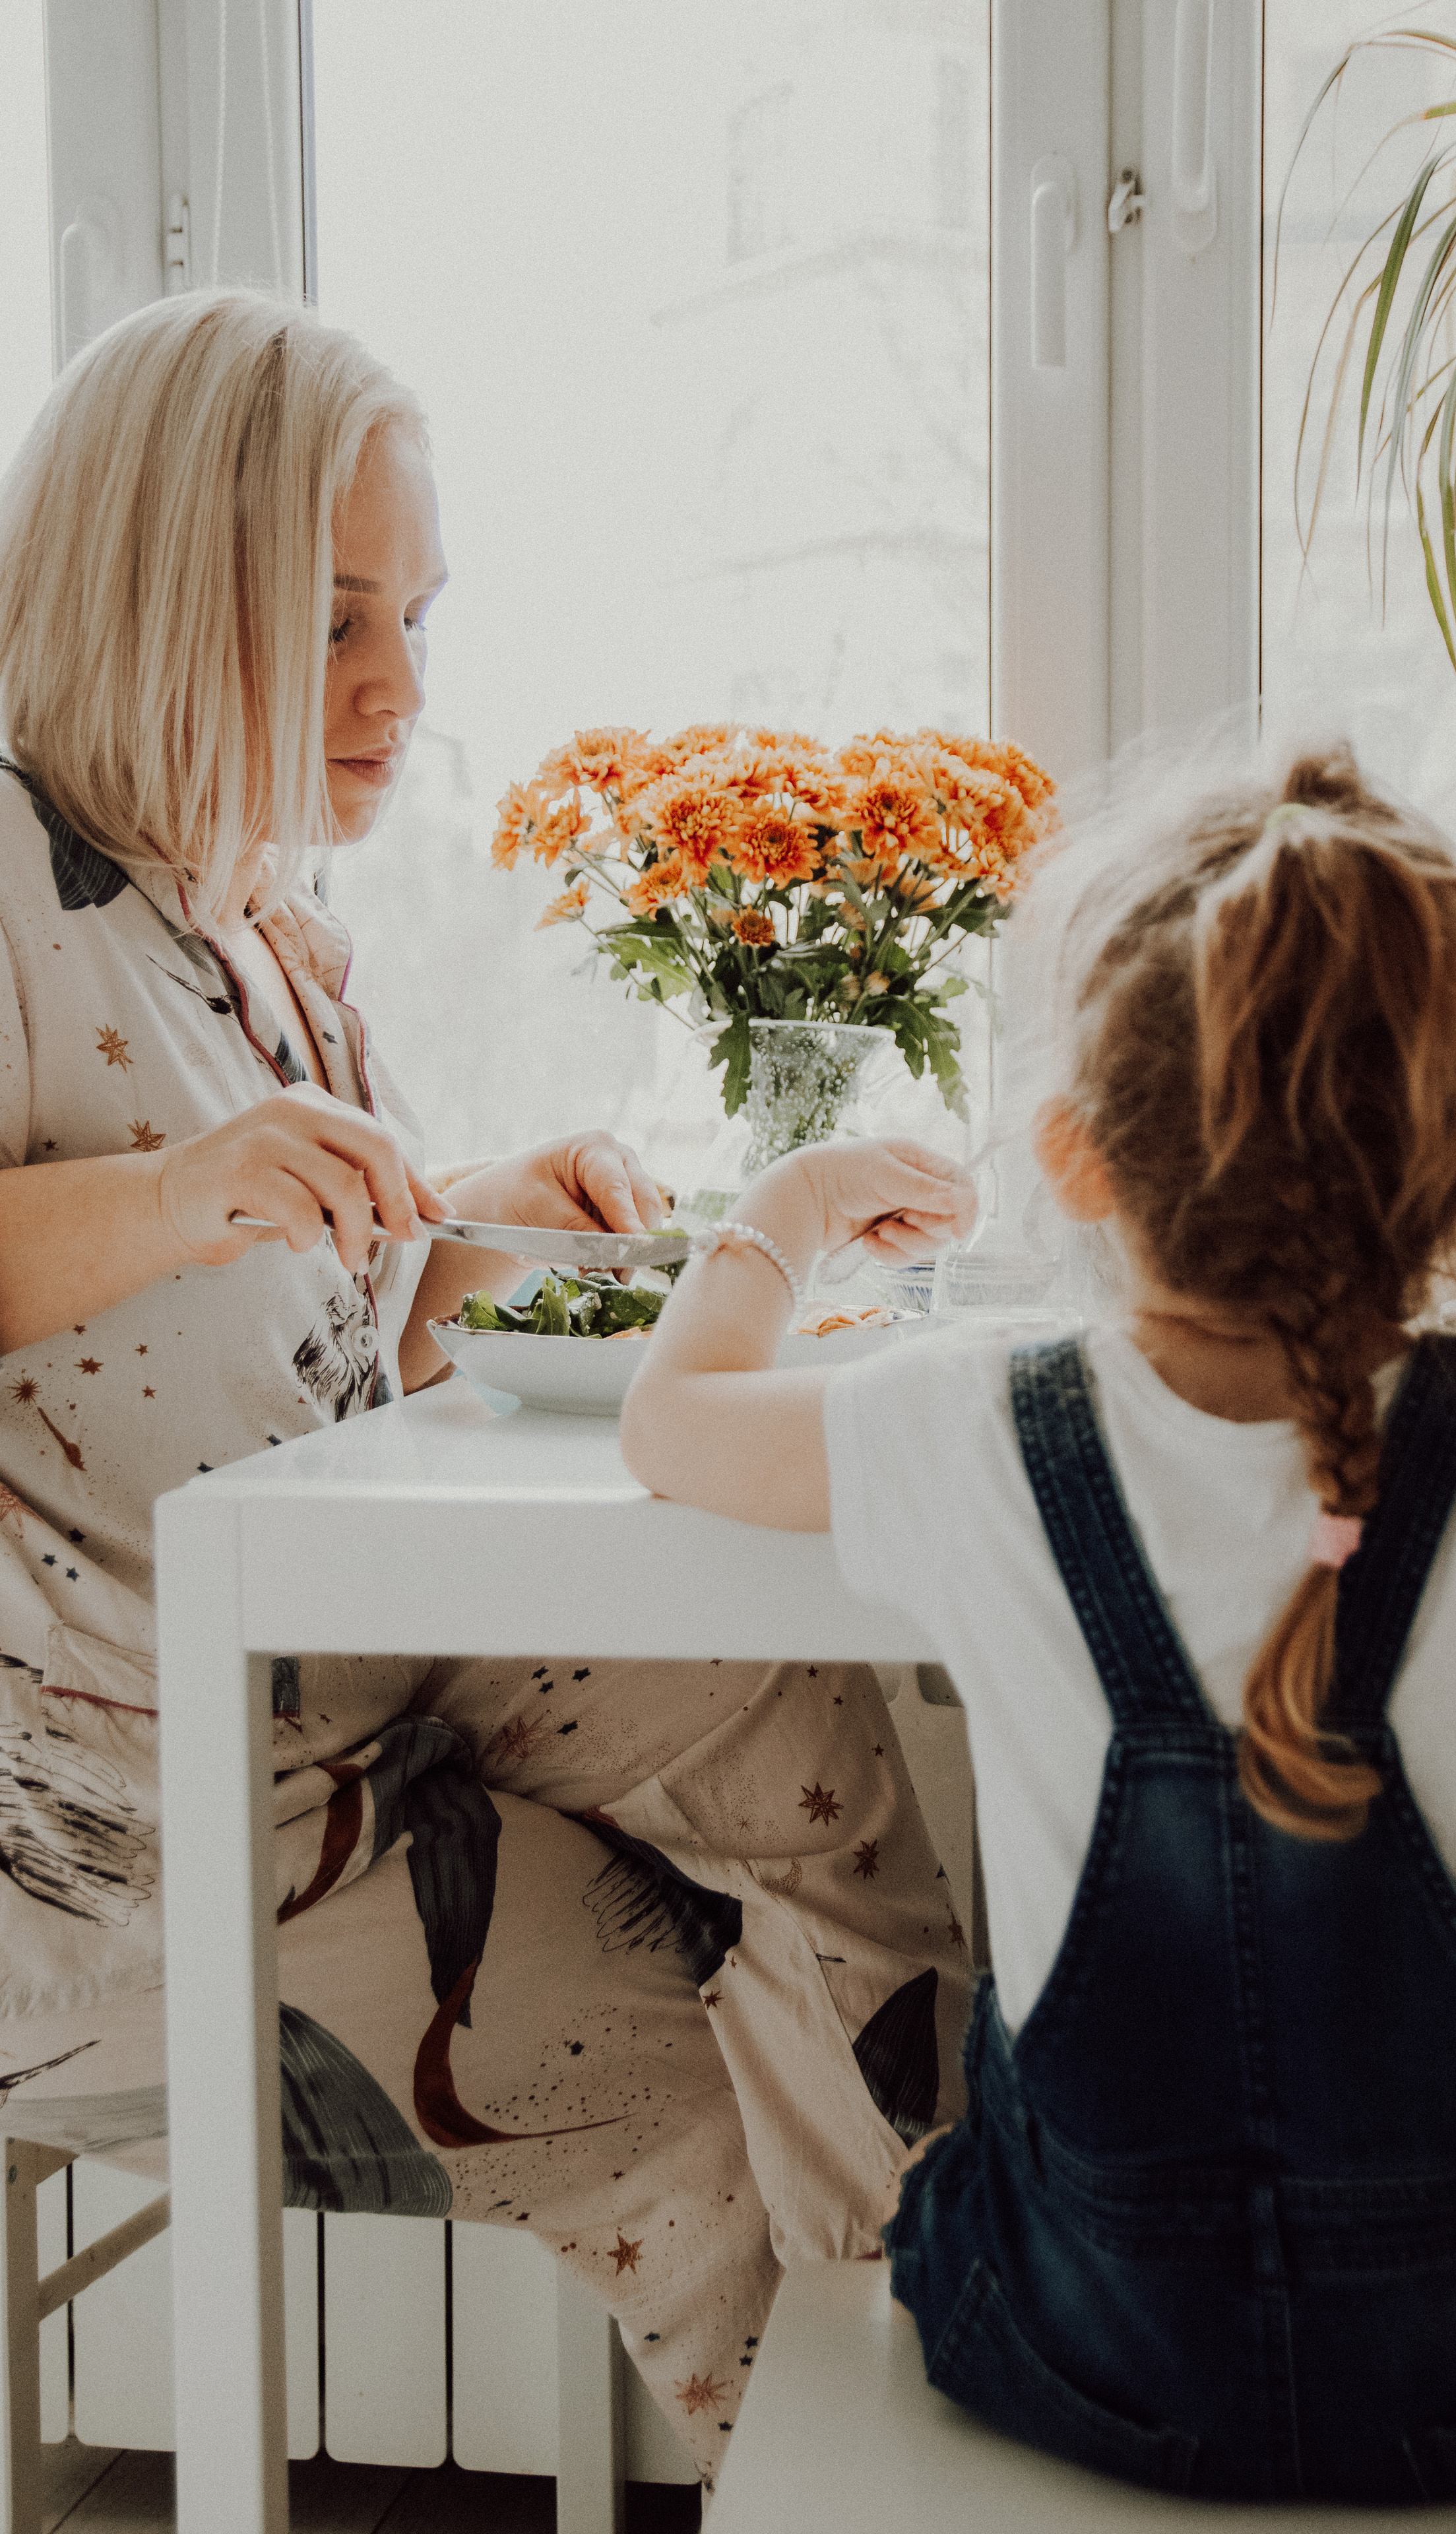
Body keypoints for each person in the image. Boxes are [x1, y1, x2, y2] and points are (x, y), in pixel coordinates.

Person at [0, 288, 971, 2490]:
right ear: (166, 590)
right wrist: (181, 1190)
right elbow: (159, 1234)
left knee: (790, 1705)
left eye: (417, 618)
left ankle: (950, 2324)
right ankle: (838, 2475)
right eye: (334, 616)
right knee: (656, 2041)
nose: (399, 693)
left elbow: (286, 1328)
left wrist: (460, 1232)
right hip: (118, 1815)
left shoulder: (253, 920)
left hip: (335, 1670)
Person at [622, 743, 1456, 2514]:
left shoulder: (979, 1425)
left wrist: (794, 1201)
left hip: (1082, 2354)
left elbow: (673, 1428)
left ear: (1079, 1159)